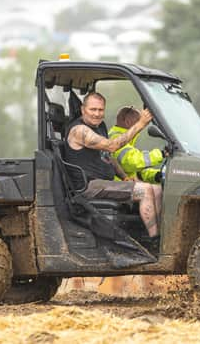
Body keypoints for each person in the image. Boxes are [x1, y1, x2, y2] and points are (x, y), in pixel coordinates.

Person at [64, 92, 162, 238]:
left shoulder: (99, 126)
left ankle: (157, 236)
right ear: (83, 109)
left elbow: (108, 156)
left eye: (100, 110)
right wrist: (140, 124)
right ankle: (154, 239)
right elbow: (112, 146)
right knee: (146, 190)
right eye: (93, 109)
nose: (97, 114)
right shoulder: (79, 130)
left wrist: (124, 177)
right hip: (90, 186)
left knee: (157, 189)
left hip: (104, 183)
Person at [109, 106, 165, 184]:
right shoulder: (116, 138)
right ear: (128, 122)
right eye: (139, 122)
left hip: (128, 184)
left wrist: (156, 175)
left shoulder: (127, 140)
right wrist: (161, 154)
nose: (141, 127)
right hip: (118, 186)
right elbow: (132, 162)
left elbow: (136, 171)